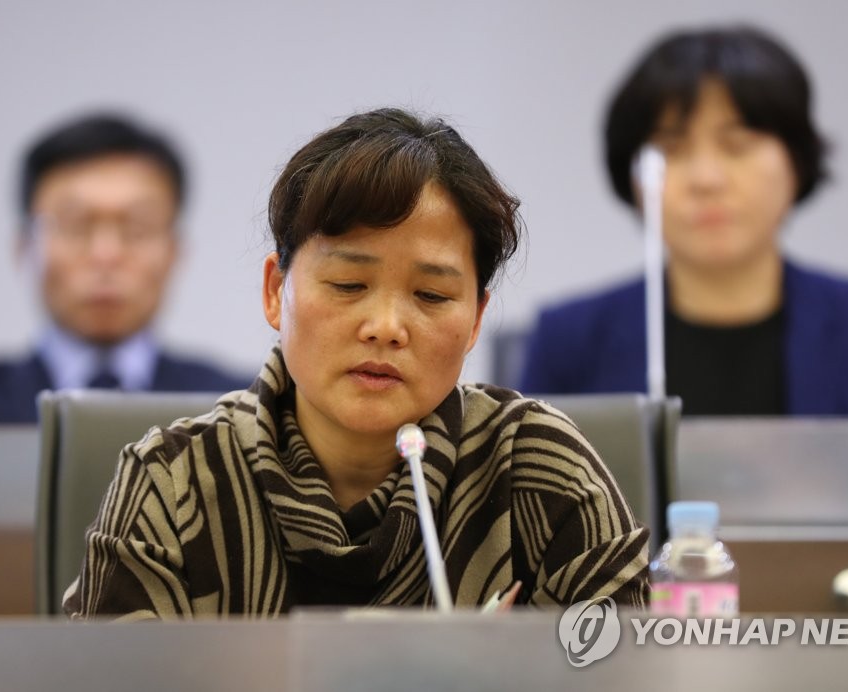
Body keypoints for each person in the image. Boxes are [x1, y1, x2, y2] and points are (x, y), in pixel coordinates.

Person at [63, 108, 649, 618]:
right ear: (275, 291)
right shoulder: (173, 482)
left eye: (431, 295)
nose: (386, 327)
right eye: (349, 284)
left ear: (475, 320)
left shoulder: (538, 469)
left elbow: (625, 669)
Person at [520, 25, 848, 419]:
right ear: (634, 176)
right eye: (671, 148)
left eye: (737, 145)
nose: (706, 179)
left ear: (797, 163)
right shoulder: (568, 341)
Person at [0, 113, 249, 424]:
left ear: (175, 252)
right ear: (24, 247)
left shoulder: (237, 412)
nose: (106, 255)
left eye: (137, 228)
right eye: (74, 225)